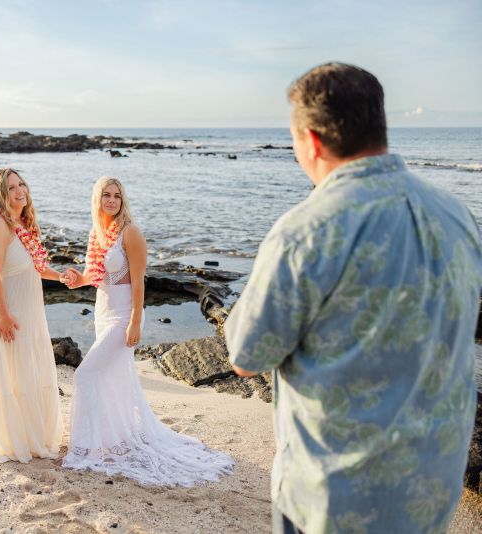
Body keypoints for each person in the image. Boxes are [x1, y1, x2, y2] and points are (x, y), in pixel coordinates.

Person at [226, 63, 482, 533]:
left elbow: (246, 354)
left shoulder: (307, 231)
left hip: (338, 499)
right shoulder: (458, 216)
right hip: (432, 486)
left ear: (313, 140)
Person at [62, 176, 234, 486]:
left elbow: (139, 281)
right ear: (97, 200)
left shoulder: (130, 233)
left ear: (123, 200)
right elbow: (96, 275)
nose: (111, 200)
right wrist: (79, 279)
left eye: (116, 195)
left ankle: (85, 447)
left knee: (83, 375)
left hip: (123, 315)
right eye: (106, 195)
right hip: (102, 311)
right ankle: (109, 440)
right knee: (110, 379)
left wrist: (135, 322)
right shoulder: (97, 233)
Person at [0, 167, 77, 463]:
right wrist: (3, 315)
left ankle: (34, 435)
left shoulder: (22, 224)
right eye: (11, 187)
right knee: (15, 375)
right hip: (9, 310)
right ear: (0, 194)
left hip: (31, 311)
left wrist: (60, 276)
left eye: (21, 184)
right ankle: (16, 440)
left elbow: (34, 266)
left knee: (31, 372)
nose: (20, 190)